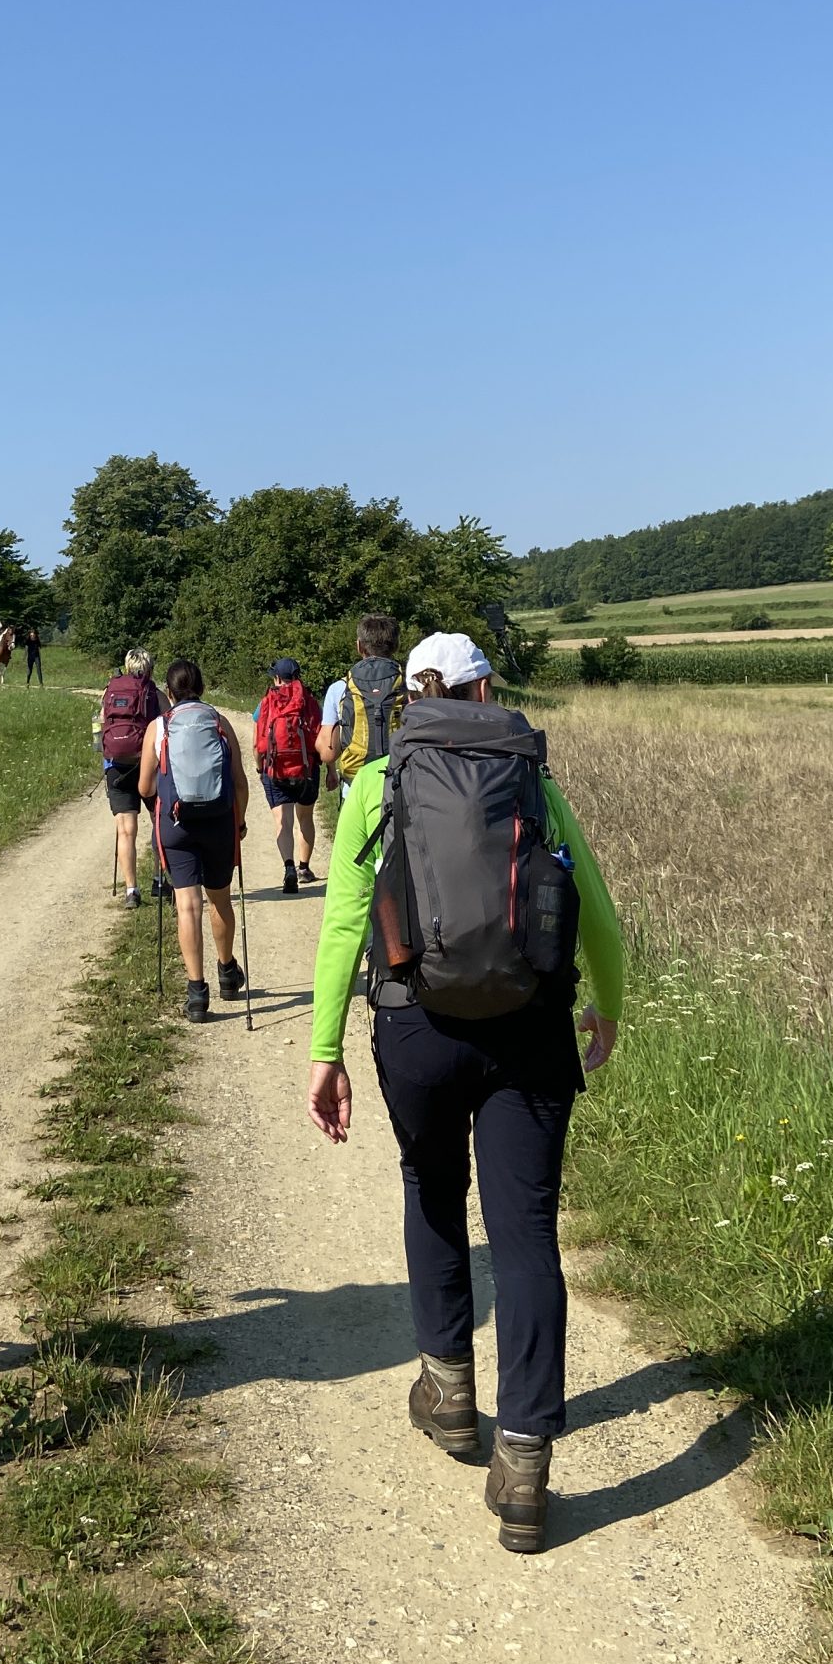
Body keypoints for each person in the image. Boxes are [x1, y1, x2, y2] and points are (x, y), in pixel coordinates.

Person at [306, 631, 622, 1554]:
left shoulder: (378, 783)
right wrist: (608, 1005)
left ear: (406, 696)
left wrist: (325, 1047)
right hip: (529, 1031)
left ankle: (448, 1395)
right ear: (487, 690)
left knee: (432, 1191)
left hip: (418, 1030)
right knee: (526, 1234)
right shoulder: (533, 779)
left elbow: (343, 925)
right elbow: (593, 907)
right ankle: (523, 1463)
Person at [139, 658, 250, 1023]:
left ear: (168, 693)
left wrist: (162, 799)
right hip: (218, 822)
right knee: (219, 899)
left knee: (187, 906)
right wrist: (240, 821)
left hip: (176, 825)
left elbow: (144, 786)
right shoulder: (220, 723)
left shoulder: (159, 727)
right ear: (201, 688)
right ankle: (227, 972)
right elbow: (239, 782)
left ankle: (197, 993)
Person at [99, 648, 164, 905]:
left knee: (126, 831)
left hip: (116, 766)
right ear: (149, 668)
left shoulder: (109, 692)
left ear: (126, 667)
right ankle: (159, 880)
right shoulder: (155, 695)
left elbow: (100, 727)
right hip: (148, 766)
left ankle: (131, 890)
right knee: (159, 822)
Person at [252, 656, 323, 892]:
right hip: (306, 768)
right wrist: (330, 768)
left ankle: (289, 867)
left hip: (277, 768)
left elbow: (258, 744)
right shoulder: (309, 701)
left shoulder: (267, 702)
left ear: (276, 678)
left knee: (283, 821)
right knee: (305, 819)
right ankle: (304, 868)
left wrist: (261, 767)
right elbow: (319, 737)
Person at [317, 612, 404, 799]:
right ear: (396, 646)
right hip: (399, 783)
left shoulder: (340, 688)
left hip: (356, 787)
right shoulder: (410, 686)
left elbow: (327, 753)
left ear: (359, 646)